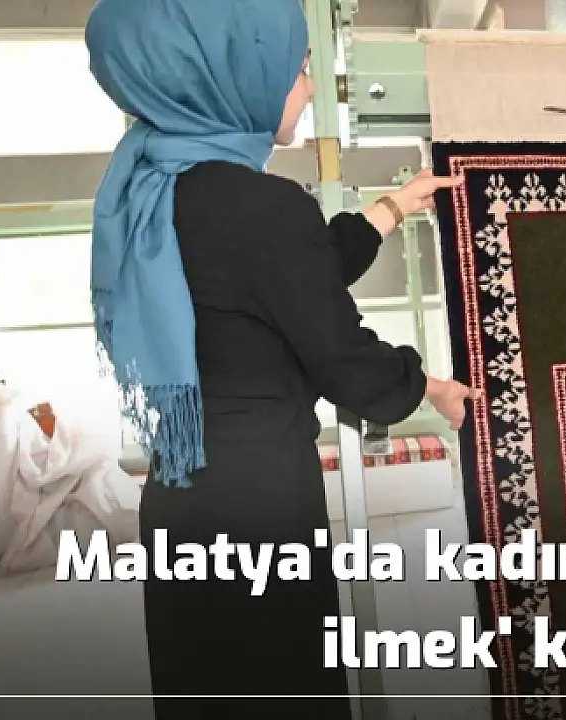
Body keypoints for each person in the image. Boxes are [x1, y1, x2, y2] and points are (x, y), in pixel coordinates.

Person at [84, 1, 477, 717]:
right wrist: (429, 387)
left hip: (182, 496)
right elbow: (343, 358)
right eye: (298, 70)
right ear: (235, 73)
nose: (307, 87)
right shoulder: (261, 205)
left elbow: (282, 281)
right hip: (262, 502)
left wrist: (390, 209)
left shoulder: (148, 188)